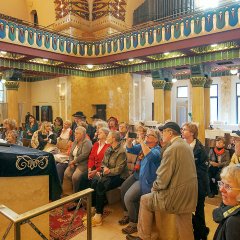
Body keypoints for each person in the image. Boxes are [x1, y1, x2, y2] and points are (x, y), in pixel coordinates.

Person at [126, 122, 198, 240]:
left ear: (170, 133)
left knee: (145, 200)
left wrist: (154, 188)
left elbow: (162, 178)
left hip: (176, 195)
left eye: (163, 132)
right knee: (185, 224)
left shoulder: (171, 149)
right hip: (189, 194)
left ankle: (143, 237)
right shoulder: (185, 145)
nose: (162, 134)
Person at [119, 128, 161, 235]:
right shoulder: (143, 147)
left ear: (156, 139)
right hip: (137, 174)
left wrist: (141, 141)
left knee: (129, 197)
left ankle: (134, 223)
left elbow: (150, 156)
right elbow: (131, 149)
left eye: (149, 135)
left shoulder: (157, 150)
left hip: (145, 180)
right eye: (146, 135)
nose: (146, 136)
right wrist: (129, 141)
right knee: (123, 188)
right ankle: (127, 214)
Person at [87, 131, 129, 226]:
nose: (107, 138)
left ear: (114, 138)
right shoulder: (109, 148)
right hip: (108, 172)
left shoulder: (121, 151)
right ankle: (93, 208)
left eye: (109, 136)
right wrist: (104, 168)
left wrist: (108, 171)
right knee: (94, 182)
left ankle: (98, 216)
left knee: (101, 185)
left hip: (120, 176)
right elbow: (103, 163)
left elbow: (119, 170)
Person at [181, 122, 209, 240]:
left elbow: (203, 169)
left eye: (185, 130)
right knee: (184, 209)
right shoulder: (182, 145)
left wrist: (189, 173)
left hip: (199, 185)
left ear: (192, 133)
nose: (182, 131)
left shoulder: (200, 149)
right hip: (185, 183)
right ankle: (200, 229)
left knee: (198, 210)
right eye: (182, 129)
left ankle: (201, 234)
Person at [63, 126, 92, 205]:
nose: (75, 135)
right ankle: (72, 191)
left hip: (83, 164)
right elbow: (71, 153)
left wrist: (74, 161)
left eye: (77, 133)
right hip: (74, 162)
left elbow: (84, 155)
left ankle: (77, 196)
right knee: (66, 174)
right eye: (75, 133)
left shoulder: (87, 142)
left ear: (82, 134)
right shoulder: (75, 141)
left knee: (75, 177)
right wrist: (70, 162)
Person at [77, 127, 110, 192]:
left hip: (101, 170)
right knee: (83, 177)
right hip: (93, 168)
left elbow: (106, 163)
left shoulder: (108, 146)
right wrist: (89, 169)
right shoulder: (96, 144)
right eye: (98, 132)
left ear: (106, 134)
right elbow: (91, 157)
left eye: (100, 132)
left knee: (93, 181)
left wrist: (95, 171)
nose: (98, 133)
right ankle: (80, 199)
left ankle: (90, 200)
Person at [213, 164, 240, 240]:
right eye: (221, 183)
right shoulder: (232, 205)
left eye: (228, 186)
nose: (221, 189)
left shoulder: (234, 222)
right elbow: (217, 216)